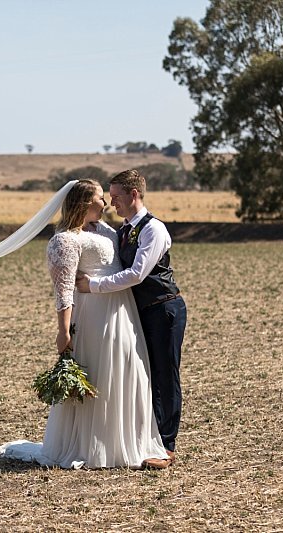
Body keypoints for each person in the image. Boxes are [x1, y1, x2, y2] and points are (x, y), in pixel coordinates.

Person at [0, 179, 171, 469]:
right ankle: (94, 445)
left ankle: (125, 442)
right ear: (85, 203)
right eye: (101, 198)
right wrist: (63, 331)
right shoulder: (64, 240)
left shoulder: (105, 230)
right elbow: (64, 290)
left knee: (127, 372)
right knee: (100, 374)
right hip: (93, 315)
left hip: (122, 311)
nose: (107, 204)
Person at [76, 169, 187, 464]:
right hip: (139, 313)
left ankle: (166, 447)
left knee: (165, 374)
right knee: (143, 376)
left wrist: (93, 286)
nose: (112, 203)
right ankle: (144, 441)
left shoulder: (154, 230)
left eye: (116, 197)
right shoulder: (123, 230)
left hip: (163, 309)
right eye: (109, 198)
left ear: (133, 195)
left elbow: (136, 274)